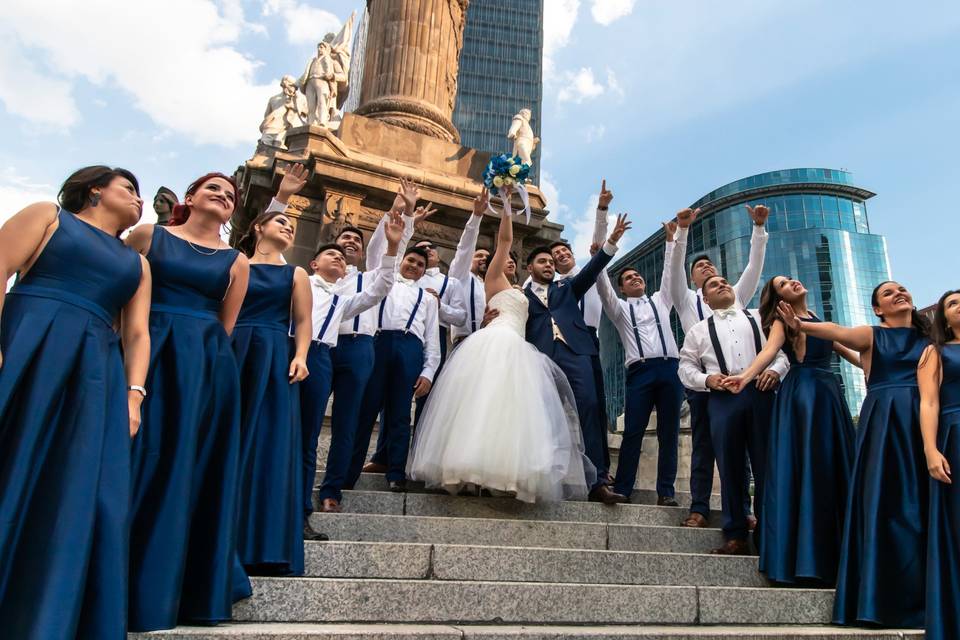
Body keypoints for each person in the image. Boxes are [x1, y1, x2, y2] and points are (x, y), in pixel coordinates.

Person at [0, 167, 150, 639]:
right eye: (129, 189)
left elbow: (138, 333)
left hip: (94, 368)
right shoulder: (49, 216)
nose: (139, 200)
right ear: (95, 190)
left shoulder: (138, 263)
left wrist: (134, 394)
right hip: (30, 339)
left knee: (74, 478)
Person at [408, 186, 597, 501]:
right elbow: (505, 241)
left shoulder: (523, 291)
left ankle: (504, 474)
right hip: (495, 340)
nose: (510, 262)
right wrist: (507, 206)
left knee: (509, 410)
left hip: (518, 347)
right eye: (504, 260)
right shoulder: (494, 279)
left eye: (513, 262)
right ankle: (466, 469)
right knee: (482, 403)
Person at [125, 172, 251, 631]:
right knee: (134, 455)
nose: (222, 195)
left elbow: (226, 325)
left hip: (202, 363)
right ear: (191, 197)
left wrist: (201, 362)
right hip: (145, 343)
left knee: (182, 462)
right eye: (213, 188)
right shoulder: (148, 235)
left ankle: (163, 581)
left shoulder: (237, 261)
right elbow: (119, 285)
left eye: (231, 194)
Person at [778, 280, 930, 627]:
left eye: (903, 289)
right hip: (887, 424)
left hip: (925, 421)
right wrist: (801, 324)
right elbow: (835, 331)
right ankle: (886, 598)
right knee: (888, 506)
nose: (899, 293)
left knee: (927, 506)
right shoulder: (871, 335)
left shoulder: (929, 342)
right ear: (878, 309)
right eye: (888, 293)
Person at [723, 276, 859, 583]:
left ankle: (838, 555)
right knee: (808, 468)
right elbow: (770, 351)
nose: (794, 281)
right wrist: (745, 377)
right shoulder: (784, 322)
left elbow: (855, 353)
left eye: (792, 279)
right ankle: (806, 558)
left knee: (832, 468)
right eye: (783, 283)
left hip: (829, 395)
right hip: (804, 396)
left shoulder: (820, 321)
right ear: (777, 296)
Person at [669, 204, 779, 528]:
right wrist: (683, 231)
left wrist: (758, 230)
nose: (706, 268)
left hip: (745, 383)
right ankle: (700, 507)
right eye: (699, 266)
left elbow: (754, 268)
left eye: (711, 265)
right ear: (694, 282)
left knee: (743, 451)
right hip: (705, 385)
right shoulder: (686, 299)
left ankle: (744, 510)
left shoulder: (738, 300)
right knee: (703, 445)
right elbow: (675, 268)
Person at [230, 165, 313, 577]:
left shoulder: (295, 273)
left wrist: (300, 355)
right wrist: (281, 196)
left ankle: (260, 539)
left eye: (294, 226)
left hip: (272, 355)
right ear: (260, 227)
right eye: (281, 221)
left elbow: (303, 321)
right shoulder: (235, 262)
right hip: (232, 348)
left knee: (267, 440)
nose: (289, 228)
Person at [317, 180, 422, 502]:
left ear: (362, 252)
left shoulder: (371, 276)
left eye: (356, 240)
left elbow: (387, 245)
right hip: (321, 347)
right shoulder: (314, 280)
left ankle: (338, 484)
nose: (350, 242)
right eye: (344, 238)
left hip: (360, 347)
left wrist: (401, 209)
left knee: (352, 419)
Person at [523, 206, 631, 504]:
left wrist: (611, 242)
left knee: (589, 404)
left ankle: (597, 481)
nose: (548, 265)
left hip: (577, 354)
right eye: (542, 261)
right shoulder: (521, 296)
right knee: (543, 413)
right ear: (528, 268)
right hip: (541, 359)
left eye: (551, 262)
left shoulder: (566, 288)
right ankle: (540, 475)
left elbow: (591, 271)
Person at [678, 275, 788, 555]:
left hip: (761, 394)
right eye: (714, 285)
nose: (722, 285)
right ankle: (735, 534)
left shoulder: (757, 317)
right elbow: (685, 368)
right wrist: (707, 380)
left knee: (768, 465)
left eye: (724, 281)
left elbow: (781, 352)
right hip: (722, 399)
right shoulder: (698, 331)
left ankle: (771, 534)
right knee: (730, 466)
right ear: (705, 299)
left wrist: (776, 371)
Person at [595, 220, 683, 505]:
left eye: (637, 276)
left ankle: (666, 493)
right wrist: (606, 249)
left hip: (670, 369)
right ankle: (623, 489)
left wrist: (671, 240)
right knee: (633, 432)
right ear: (622, 289)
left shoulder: (661, 300)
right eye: (628, 278)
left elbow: (670, 276)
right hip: (640, 372)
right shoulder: (619, 310)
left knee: (669, 433)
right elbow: (603, 286)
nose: (635, 278)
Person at [349, 245, 441, 491]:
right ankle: (350, 469)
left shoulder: (428, 298)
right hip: (378, 343)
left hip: (410, 348)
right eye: (411, 260)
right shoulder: (383, 284)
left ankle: (396, 472)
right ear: (401, 260)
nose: (414, 266)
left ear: (424, 271)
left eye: (420, 265)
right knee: (366, 410)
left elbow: (432, 339)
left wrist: (428, 372)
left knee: (401, 415)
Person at [547, 179, 614, 480]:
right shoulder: (552, 289)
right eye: (555, 255)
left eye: (564, 252)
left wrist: (601, 210)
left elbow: (600, 247)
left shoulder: (592, 274)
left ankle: (601, 470)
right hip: (561, 345)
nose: (561, 256)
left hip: (590, 340)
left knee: (594, 405)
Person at [917, 289, 960, 640]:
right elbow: (929, 402)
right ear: (943, 317)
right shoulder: (936, 351)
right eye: (954, 303)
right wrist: (931, 449)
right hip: (954, 437)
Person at [448, 191, 490, 345]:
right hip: (465, 343)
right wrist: (476, 216)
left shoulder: (490, 285)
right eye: (479, 255)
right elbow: (465, 248)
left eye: (487, 257)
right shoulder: (461, 276)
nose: (484, 258)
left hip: (491, 345)